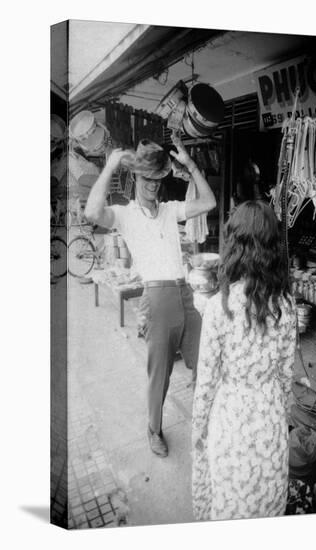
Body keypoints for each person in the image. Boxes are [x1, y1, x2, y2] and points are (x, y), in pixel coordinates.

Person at [85, 134, 216, 458]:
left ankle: (204, 422)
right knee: (160, 374)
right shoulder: (125, 214)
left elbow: (209, 203)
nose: (153, 185)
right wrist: (109, 166)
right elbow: (91, 212)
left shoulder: (171, 210)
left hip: (185, 293)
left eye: (158, 179)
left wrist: (189, 165)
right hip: (157, 299)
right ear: (135, 177)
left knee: (205, 363)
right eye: (147, 178)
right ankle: (153, 429)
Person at [192, 200, 297, 521]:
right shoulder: (287, 306)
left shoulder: (218, 308)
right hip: (270, 422)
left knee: (230, 507)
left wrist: (198, 432)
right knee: (266, 505)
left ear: (234, 244)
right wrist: (279, 412)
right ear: (271, 247)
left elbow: (206, 384)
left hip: (231, 423)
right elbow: (285, 378)